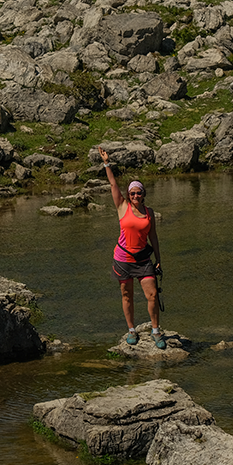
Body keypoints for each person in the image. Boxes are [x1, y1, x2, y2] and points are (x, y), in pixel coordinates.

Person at [97, 146, 166, 349]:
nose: (136, 195)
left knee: (152, 294)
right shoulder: (122, 206)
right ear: (129, 194)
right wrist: (107, 163)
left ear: (144, 195)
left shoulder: (149, 212)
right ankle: (131, 330)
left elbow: (153, 236)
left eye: (139, 193)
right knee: (127, 295)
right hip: (123, 259)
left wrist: (159, 258)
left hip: (143, 260)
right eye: (133, 193)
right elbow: (112, 184)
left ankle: (155, 330)